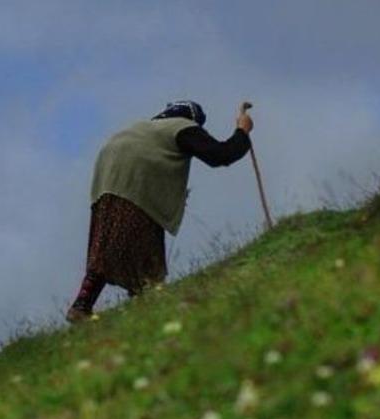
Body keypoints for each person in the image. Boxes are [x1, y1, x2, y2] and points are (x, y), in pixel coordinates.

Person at [66, 100, 254, 324]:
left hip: (105, 189)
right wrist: (243, 131)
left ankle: (85, 305)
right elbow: (220, 154)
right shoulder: (183, 127)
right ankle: (145, 305)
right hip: (137, 191)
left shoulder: (141, 128)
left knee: (107, 247)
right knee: (145, 257)